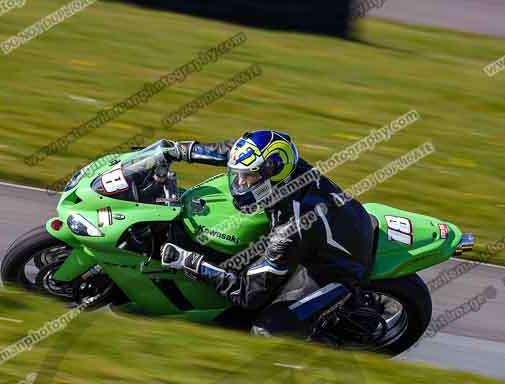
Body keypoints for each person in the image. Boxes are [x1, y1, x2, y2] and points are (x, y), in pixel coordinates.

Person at [159, 130, 377, 337]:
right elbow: (231, 151)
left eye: (248, 176)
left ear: (270, 174)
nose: (240, 182)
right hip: (338, 225)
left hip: (336, 270)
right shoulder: (283, 165)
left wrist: (193, 264)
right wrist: (179, 150)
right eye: (239, 174)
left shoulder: (289, 230)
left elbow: (249, 294)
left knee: (266, 331)